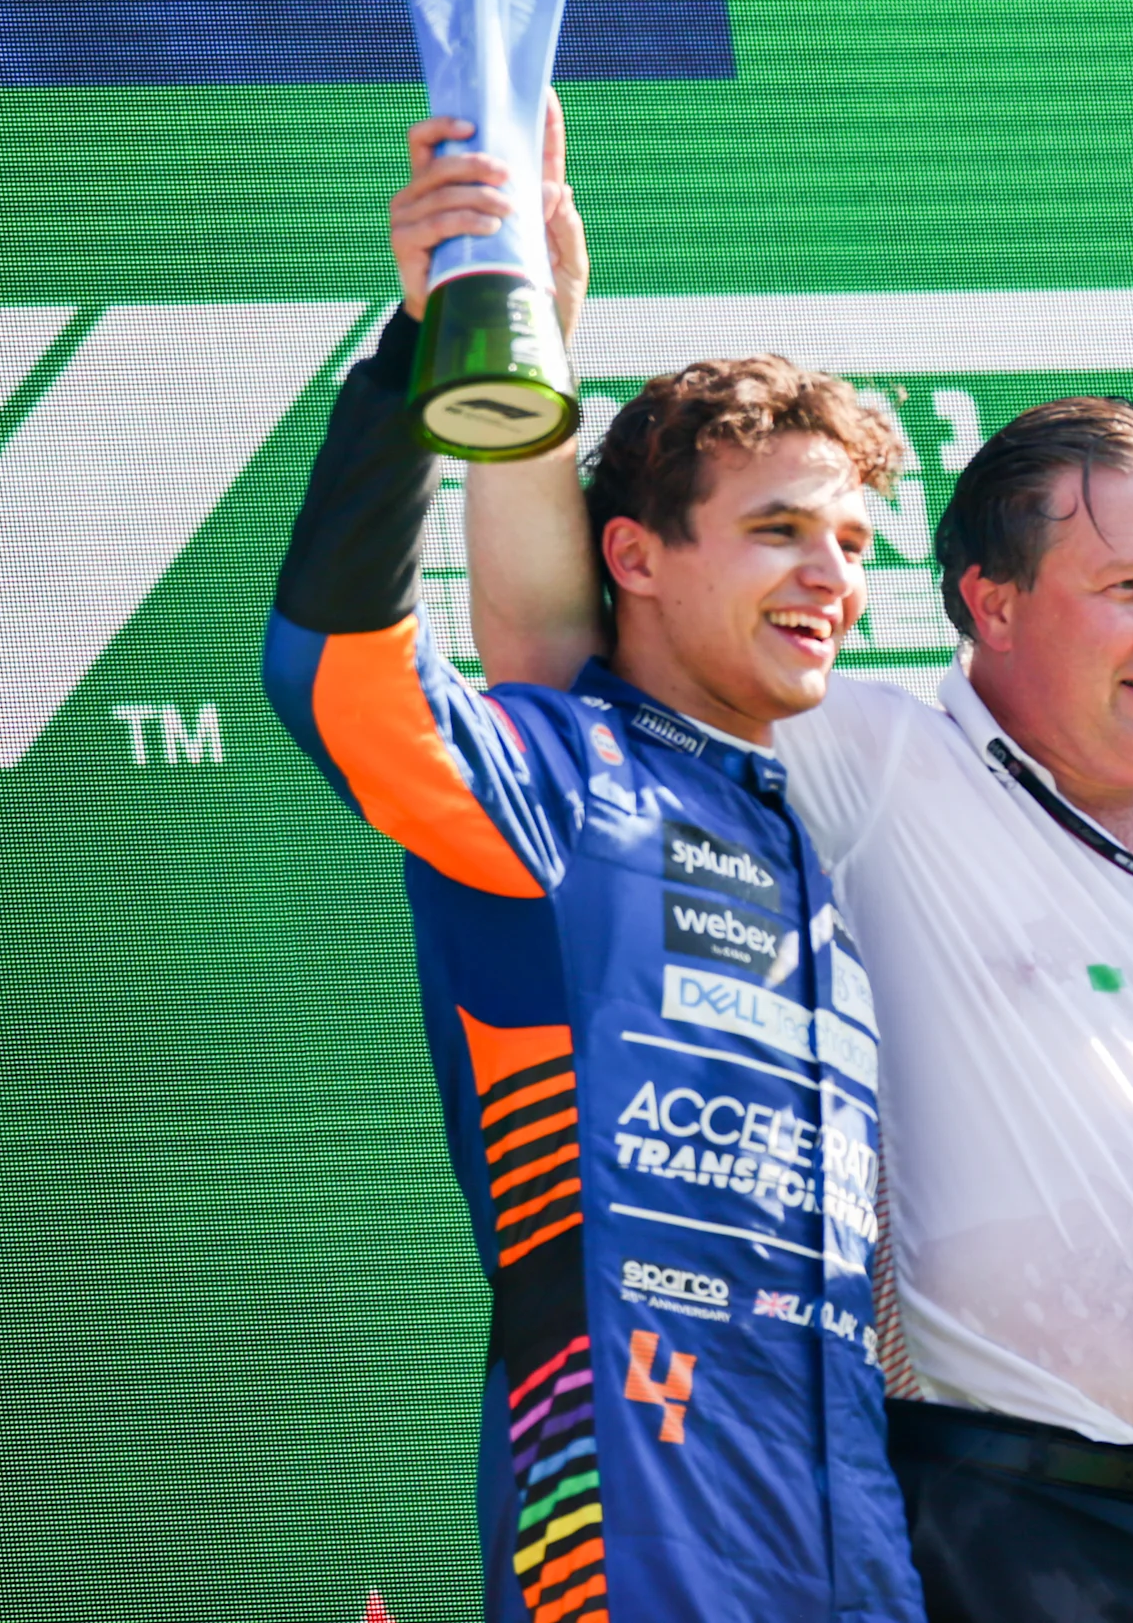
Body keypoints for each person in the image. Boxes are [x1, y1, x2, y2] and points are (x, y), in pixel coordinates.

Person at [462, 193, 1133, 1621]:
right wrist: (532, 363)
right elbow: (561, 654)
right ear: (988, 605)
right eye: (1128, 588)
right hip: (1019, 1524)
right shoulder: (866, 760)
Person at [261, 109, 925, 1623]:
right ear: (634, 555)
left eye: (849, 539)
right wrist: (430, 353)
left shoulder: (807, 841)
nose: (832, 577)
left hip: (855, 1555)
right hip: (626, 1548)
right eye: (778, 531)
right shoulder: (557, 785)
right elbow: (338, 678)